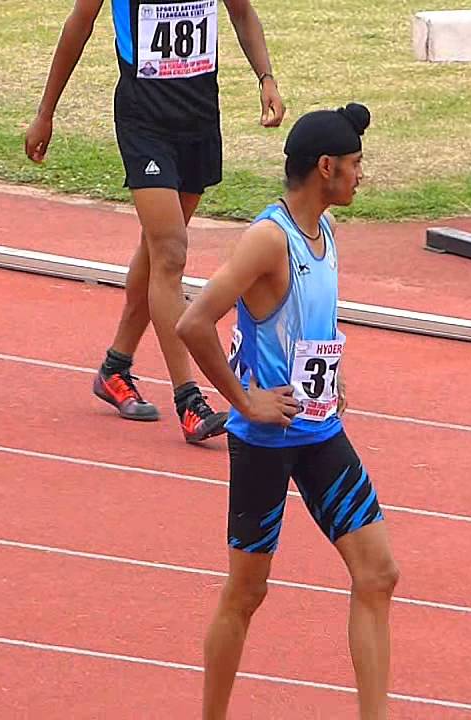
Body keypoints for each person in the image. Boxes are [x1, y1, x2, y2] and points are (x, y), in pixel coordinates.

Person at [176, 103, 399, 720]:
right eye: (355, 165)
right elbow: (193, 322)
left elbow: (310, 323)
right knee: (248, 592)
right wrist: (244, 400)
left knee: (377, 572)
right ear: (325, 167)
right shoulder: (268, 240)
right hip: (266, 442)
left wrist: (335, 376)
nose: (361, 175)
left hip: (321, 431)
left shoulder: (326, 234)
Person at [25, 0, 286, 444]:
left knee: (157, 249)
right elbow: (79, 24)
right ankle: (189, 398)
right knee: (170, 252)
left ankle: (115, 367)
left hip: (199, 115)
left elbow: (242, 13)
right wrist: (46, 112)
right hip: (144, 120)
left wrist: (266, 77)